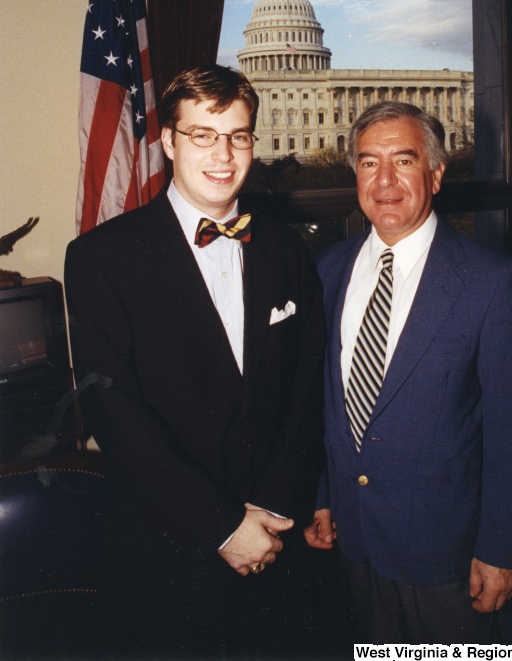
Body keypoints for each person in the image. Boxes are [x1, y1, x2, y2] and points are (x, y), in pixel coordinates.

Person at [65, 65, 325, 658]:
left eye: (237, 135)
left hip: (275, 545)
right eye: (203, 134)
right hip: (166, 549)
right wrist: (223, 527)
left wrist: (272, 511)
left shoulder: (286, 248)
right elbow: (117, 415)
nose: (223, 154)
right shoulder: (101, 258)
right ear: (169, 142)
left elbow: (308, 389)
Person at [304, 101, 512, 644]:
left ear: (435, 174)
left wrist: (503, 549)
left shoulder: (492, 281)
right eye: (368, 163)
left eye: (403, 161)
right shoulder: (327, 270)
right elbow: (321, 402)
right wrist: (321, 493)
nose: (384, 180)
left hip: (448, 551)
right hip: (351, 535)